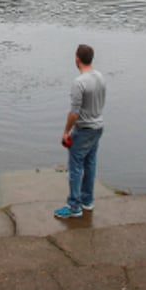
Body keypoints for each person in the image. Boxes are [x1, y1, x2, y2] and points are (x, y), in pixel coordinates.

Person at [54, 44, 106, 219]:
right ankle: (87, 201)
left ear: (77, 58)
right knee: (90, 164)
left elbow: (74, 113)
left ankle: (74, 206)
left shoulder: (79, 83)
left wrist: (66, 132)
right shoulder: (100, 77)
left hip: (83, 129)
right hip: (98, 127)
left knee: (75, 168)